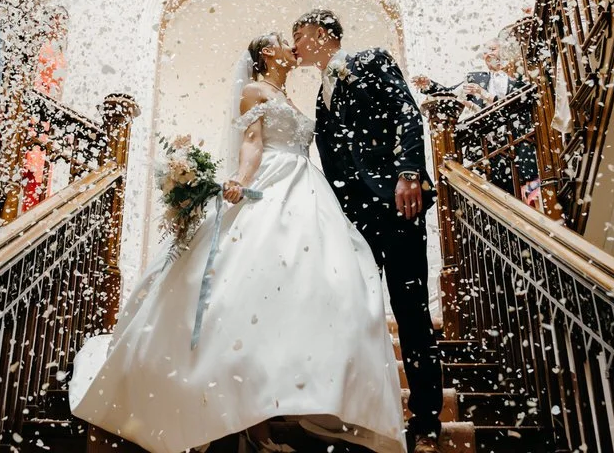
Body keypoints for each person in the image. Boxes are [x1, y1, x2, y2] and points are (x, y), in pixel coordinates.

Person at [69, 32, 406, 453]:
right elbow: (252, 144)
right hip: (273, 184)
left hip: (308, 190)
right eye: (284, 41)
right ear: (268, 52)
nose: (292, 47)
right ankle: (252, 418)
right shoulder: (254, 89)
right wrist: (242, 181)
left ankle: (304, 390)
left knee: (320, 286)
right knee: (250, 291)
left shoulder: (290, 92)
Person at [292, 10, 443, 453]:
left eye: (298, 35)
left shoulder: (372, 60)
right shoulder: (321, 95)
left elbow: (405, 112)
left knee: (411, 311)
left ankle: (427, 421)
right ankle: (358, 411)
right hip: (351, 220)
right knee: (352, 312)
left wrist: (410, 171)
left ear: (322, 34)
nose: (294, 44)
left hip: (396, 205)